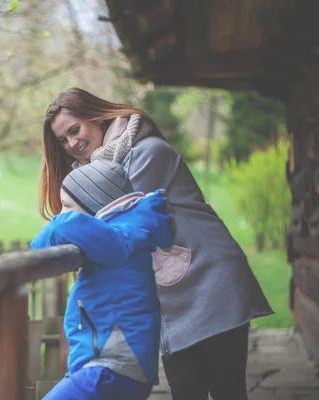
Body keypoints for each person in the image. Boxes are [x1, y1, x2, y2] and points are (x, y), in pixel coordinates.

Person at [39, 87, 274, 400]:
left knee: (226, 390)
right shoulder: (98, 172)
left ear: (97, 117)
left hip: (210, 281)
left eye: (74, 130)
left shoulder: (146, 152)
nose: (72, 144)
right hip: (174, 296)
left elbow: (110, 226)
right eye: (63, 141)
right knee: (186, 391)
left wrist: (68, 227)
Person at [31, 159, 174, 400]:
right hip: (113, 367)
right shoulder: (125, 233)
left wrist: (55, 227)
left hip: (113, 367)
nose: (61, 213)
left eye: (67, 205)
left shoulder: (121, 239)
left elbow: (54, 236)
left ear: (95, 209)